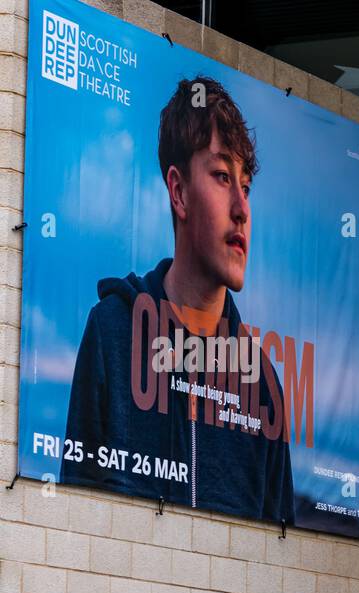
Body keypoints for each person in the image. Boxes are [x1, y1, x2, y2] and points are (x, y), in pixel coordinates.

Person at [62, 75, 294, 523]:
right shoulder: (112, 332)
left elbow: (279, 560)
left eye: (246, 186)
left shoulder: (263, 385)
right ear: (179, 191)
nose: (242, 208)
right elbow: (74, 523)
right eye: (223, 176)